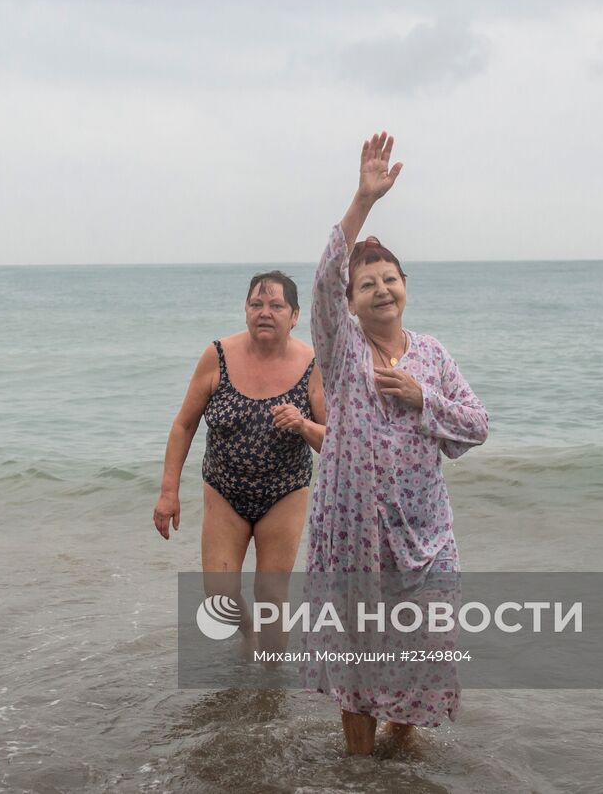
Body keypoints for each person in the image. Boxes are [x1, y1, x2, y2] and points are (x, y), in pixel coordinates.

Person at [306, 132, 489, 754]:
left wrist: (421, 399)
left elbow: (477, 424)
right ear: (351, 304)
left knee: (431, 640)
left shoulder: (433, 355)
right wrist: (362, 201)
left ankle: (400, 736)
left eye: (390, 279)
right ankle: (360, 766)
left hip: (425, 528)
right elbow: (324, 281)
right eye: (367, 285)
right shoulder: (343, 348)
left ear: (405, 284)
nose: (380, 289)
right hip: (353, 527)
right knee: (357, 655)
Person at [153, 272, 327, 609]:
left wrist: (303, 424)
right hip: (224, 491)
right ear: (245, 311)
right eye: (256, 304)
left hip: (284, 492)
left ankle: (273, 663)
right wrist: (168, 492)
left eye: (277, 305)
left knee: (271, 597)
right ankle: (249, 637)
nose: (265, 312)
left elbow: (334, 442)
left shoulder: (313, 365)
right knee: (219, 598)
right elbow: (184, 426)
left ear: (294, 316)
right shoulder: (217, 355)